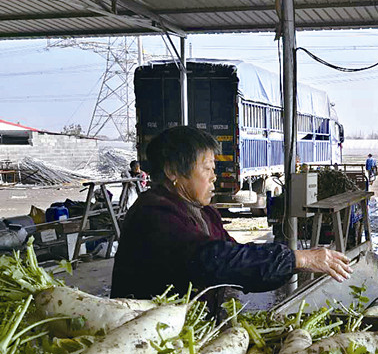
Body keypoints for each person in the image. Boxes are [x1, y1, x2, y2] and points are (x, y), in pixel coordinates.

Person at [111, 126, 351, 305]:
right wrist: (298, 259)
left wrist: (296, 263)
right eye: (207, 169)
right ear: (173, 171)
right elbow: (214, 260)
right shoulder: (154, 213)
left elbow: (237, 260)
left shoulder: (204, 213)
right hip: (152, 338)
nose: (214, 177)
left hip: (189, 331)